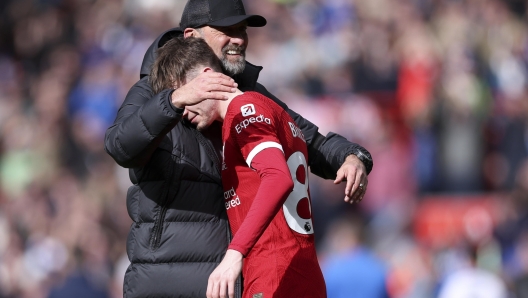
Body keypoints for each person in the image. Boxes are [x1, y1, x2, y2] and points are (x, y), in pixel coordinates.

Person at [104, 0, 373, 297]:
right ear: (192, 36)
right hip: (165, 279)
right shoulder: (153, 91)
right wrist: (173, 100)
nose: (239, 39)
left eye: (242, 30)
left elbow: (307, 138)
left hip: (231, 279)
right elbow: (120, 146)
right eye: (227, 30)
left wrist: (352, 156)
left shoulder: (247, 98)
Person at [150, 36, 327, 298]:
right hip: (300, 271)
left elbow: (278, 177)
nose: (183, 112)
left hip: (274, 274)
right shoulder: (272, 112)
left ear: (208, 77)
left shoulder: (244, 110)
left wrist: (234, 254)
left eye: (186, 96)